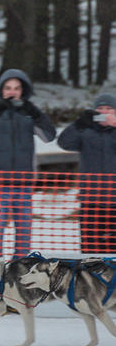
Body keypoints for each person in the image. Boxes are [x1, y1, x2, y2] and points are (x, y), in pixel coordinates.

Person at [0, 69, 56, 257]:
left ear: (24, 90)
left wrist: (36, 113)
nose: (12, 92)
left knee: (24, 233)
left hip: (24, 183)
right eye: (8, 88)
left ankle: (20, 271)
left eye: (17, 88)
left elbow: (49, 136)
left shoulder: (29, 114)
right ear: (1, 90)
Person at [57, 93, 116, 254]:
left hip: (114, 202)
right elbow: (64, 143)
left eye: (109, 109)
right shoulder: (86, 132)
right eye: (100, 109)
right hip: (91, 201)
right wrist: (78, 124)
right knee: (90, 250)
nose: (104, 112)